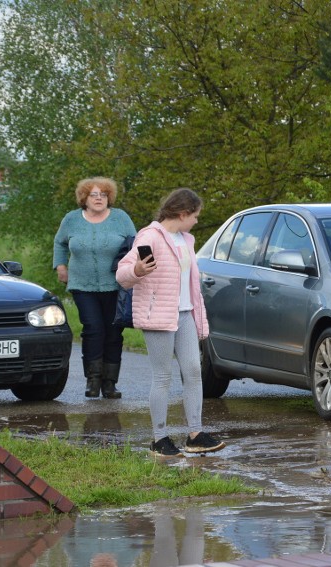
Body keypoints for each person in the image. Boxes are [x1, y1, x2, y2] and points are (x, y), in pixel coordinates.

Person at [115, 187, 225, 457]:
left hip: (185, 313)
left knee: (193, 371)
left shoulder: (186, 239)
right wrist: (137, 270)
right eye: (195, 215)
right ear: (183, 212)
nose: (197, 220)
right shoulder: (149, 236)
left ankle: (195, 434)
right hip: (159, 316)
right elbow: (122, 274)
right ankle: (159, 438)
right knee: (162, 376)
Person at [53, 177, 136, 399]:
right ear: (84, 198)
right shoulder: (71, 219)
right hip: (82, 285)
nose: (99, 198)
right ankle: (93, 379)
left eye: (103, 194)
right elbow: (59, 243)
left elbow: (134, 244)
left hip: (116, 284)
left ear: (109, 197)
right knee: (92, 328)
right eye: (94, 195)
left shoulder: (120, 218)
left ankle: (110, 383)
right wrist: (60, 265)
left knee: (113, 332)